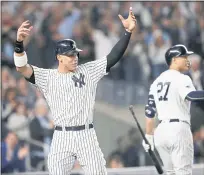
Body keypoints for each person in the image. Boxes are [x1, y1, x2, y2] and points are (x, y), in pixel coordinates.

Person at [13, 7, 136, 175]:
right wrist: (19, 44)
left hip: (86, 134)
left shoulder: (87, 70)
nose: (75, 58)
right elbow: (21, 68)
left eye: (76, 54)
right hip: (62, 135)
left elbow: (113, 57)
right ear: (59, 57)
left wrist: (127, 32)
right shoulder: (48, 76)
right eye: (70, 55)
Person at [142, 44, 204, 175]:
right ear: (174, 60)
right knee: (183, 172)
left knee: (171, 173)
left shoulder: (156, 82)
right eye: (184, 57)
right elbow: (191, 96)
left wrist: (148, 136)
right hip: (179, 130)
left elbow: (150, 112)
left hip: (161, 133)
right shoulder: (182, 78)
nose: (188, 60)